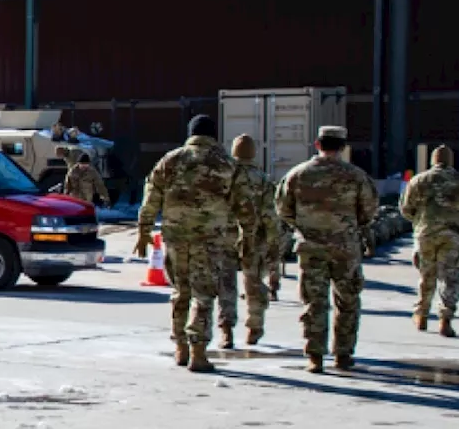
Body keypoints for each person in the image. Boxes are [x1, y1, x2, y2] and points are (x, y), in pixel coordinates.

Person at [134, 114, 241, 373]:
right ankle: (199, 352)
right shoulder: (227, 164)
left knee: (181, 291)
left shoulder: (170, 160)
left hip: (176, 236)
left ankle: (180, 346)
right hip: (210, 240)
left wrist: (144, 231)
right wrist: (245, 236)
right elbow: (243, 204)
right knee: (203, 295)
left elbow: (151, 196)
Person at [276, 125, 378, 373]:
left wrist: (305, 226)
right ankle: (343, 354)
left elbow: (283, 208)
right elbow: (369, 210)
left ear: (317, 144)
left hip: (311, 247)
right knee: (348, 301)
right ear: (342, 147)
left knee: (314, 301)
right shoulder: (355, 176)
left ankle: (315, 356)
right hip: (346, 247)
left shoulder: (298, 174)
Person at [399, 144, 459, 338]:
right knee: (450, 277)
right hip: (453, 235)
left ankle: (421, 314)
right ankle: (445, 318)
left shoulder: (419, 180)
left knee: (426, 274)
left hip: (426, 234)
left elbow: (405, 208)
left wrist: (419, 221)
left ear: (432, 160)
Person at [230, 134, 279, 345]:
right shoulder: (264, 179)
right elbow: (271, 214)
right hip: (254, 238)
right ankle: (254, 326)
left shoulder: (227, 176)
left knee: (226, 283)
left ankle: (226, 328)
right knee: (253, 283)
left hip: (227, 235)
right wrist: (274, 241)